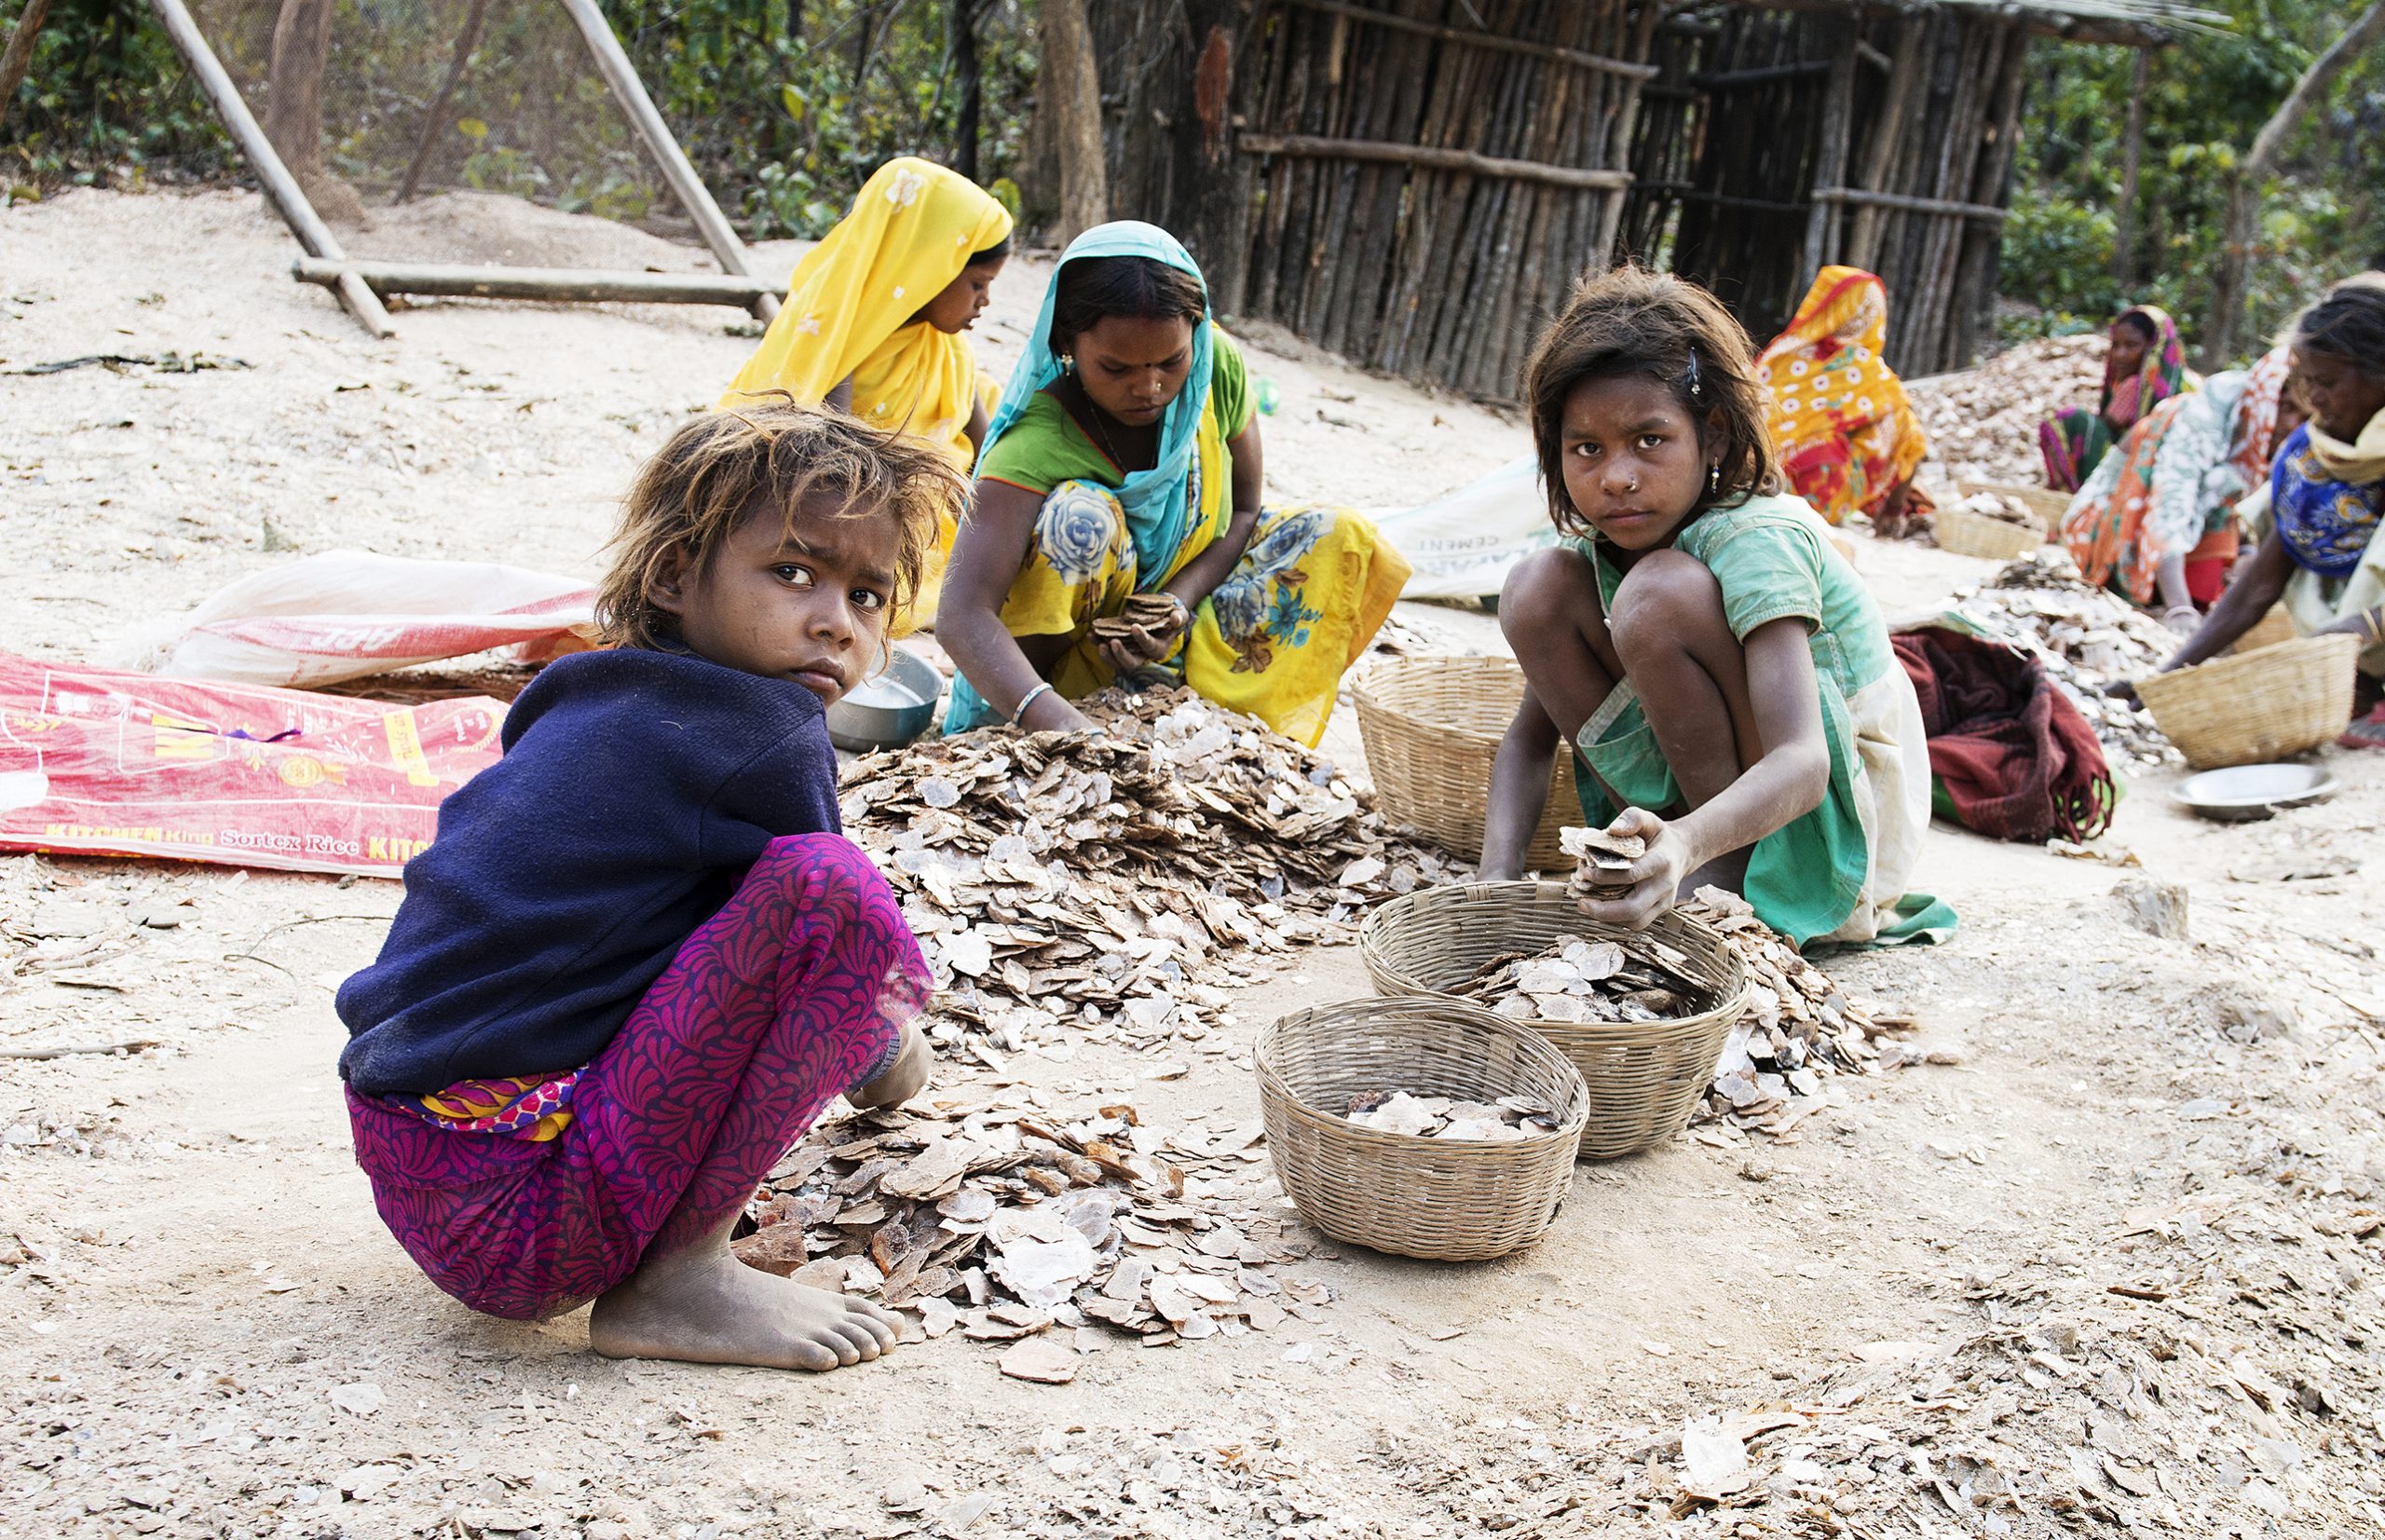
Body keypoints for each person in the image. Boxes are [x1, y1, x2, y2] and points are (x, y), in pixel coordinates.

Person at [336, 405, 964, 1370]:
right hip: (519, 1211)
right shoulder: (767, 730)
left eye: (869, 596)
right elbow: (837, 945)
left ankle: (665, 1260)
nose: (834, 622)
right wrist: (893, 1060)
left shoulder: (586, 693)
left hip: (420, 1166)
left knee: (773, 896)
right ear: (675, 576)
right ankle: (677, 1280)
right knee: (831, 889)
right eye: (792, 573)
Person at [1478, 266, 1941, 947]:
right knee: (1535, 587)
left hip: (1832, 830)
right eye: (1586, 449)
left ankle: (1723, 870)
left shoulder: (1758, 539)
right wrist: (1495, 878)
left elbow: (1805, 761)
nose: (1618, 475)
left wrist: (1687, 844)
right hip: (1709, 814)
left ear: (1715, 436)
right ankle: (1672, 848)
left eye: (1650, 440)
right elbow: (1528, 739)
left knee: (1656, 596)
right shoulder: (1609, 541)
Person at [936, 221, 1411, 748]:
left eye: (1171, 361)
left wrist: (1177, 604)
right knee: (1081, 520)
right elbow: (962, 615)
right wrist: (1060, 724)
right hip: (1061, 676)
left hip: (1189, 620)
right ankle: (1063, 713)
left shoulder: (1216, 366)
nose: (1150, 387)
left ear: (1197, 330)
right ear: (1066, 341)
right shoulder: (1035, 440)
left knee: (1337, 534)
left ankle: (1228, 725)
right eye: (1115, 367)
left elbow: (1247, 512)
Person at [721, 157, 1013, 625]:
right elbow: (837, 465)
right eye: (978, 283)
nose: (986, 301)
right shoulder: (838, 339)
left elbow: (990, 450)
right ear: (928, 268)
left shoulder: (945, 351)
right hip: (855, 515)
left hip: (925, 520)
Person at [2137, 278, 2385, 739]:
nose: (2315, 399)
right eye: (2307, 382)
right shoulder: (2314, 458)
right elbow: (2261, 583)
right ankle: (2363, 691)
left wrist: (2343, 635)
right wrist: (2168, 675)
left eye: (2327, 383)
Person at [2062, 345, 2298, 633]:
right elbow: (2168, 504)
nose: (2291, 423)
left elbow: (2240, 509)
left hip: (2179, 535)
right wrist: (2180, 609)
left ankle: (2185, 597)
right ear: (2270, 398)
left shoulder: (2254, 437)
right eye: (2287, 408)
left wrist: (2246, 550)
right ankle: (2153, 594)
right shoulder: (2198, 419)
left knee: (2225, 549)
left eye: (2302, 413)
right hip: (2105, 525)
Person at [1753, 266, 1933, 535]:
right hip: (1813, 493)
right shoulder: (1864, 369)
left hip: (1752, 478)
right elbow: (1914, 443)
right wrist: (1895, 507)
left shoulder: (1782, 351)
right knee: (1898, 424)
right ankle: (1868, 514)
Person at [2039, 306, 2189, 493]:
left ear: (2153, 349)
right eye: (2116, 345)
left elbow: (2108, 425)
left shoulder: (2135, 386)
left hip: (2130, 478)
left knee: (2071, 421)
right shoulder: (2176, 386)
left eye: (2131, 345)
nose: (2119, 355)